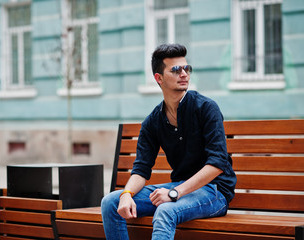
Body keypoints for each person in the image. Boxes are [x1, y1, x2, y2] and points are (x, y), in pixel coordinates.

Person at [101, 43, 237, 240]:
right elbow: (141, 170)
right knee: (110, 202)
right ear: (159, 78)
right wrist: (126, 194)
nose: (184, 74)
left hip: (214, 192)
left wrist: (174, 193)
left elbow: (217, 163)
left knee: (165, 210)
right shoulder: (153, 121)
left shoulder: (206, 108)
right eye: (175, 70)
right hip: (180, 188)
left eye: (186, 68)